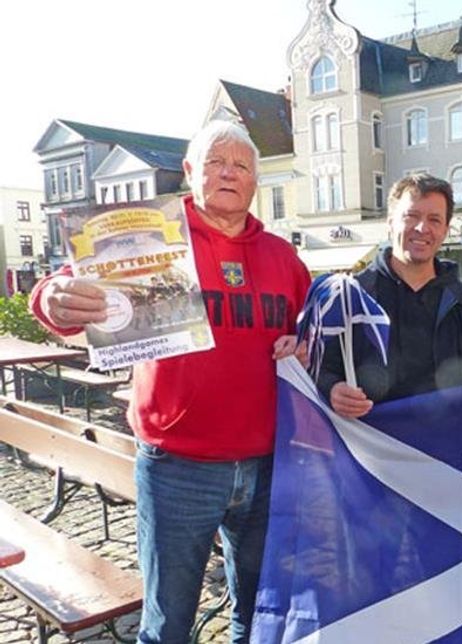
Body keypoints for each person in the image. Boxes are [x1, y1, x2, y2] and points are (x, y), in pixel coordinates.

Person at [29, 120, 311, 642]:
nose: (229, 172)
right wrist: (51, 298)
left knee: (259, 612)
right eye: (214, 162)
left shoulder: (285, 258)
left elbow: (308, 334)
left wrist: (304, 345)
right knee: (168, 625)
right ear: (188, 172)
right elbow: (67, 293)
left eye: (241, 165)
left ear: (255, 181)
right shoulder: (147, 239)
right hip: (178, 467)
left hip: (269, 463)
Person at [317, 173, 462, 417]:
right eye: (411, 216)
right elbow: (321, 368)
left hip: (447, 450)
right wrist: (332, 389)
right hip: (373, 449)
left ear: (445, 230)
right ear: (390, 222)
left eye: (434, 219)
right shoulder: (352, 296)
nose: (422, 228)